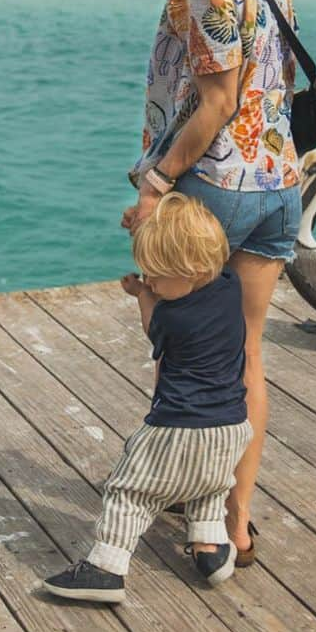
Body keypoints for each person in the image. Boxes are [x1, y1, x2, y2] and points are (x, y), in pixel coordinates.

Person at [108, 0, 300, 568]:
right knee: (245, 356)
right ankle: (237, 517)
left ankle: (204, 520)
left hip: (213, 185)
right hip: (277, 181)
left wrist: (156, 182)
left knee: (188, 367)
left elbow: (216, 98)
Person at [44, 193, 253, 604]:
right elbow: (185, 269)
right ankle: (212, 549)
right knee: (209, 486)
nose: (150, 280)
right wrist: (154, 254)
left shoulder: (172, 316)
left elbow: (153, 325)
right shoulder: (230, 286)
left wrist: (142, 296)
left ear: (192, 269)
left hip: (177, 428)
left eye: (156, 274)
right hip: (232, 426)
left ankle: (106, 568)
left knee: (129, 491)